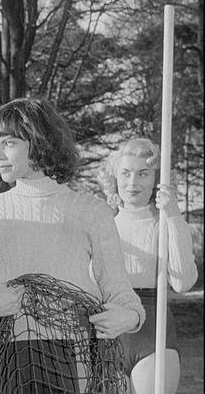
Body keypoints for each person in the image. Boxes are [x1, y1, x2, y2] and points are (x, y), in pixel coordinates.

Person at [0, 97, 145, 393]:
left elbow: (122, 294)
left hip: (72, 356)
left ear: (40, 142)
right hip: (1, 357)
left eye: (8, 143)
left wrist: (128, 317)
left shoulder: (91, 211)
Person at [98, 137, 197, 394]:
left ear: (157, 181)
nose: (132, 182)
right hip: (108, 332)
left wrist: (173, 214)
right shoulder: (101, 226)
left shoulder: (167, 224)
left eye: (143, 173)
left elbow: (183, 283)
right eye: (126, 173)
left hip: (154, 331)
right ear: (114, 176)